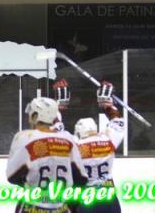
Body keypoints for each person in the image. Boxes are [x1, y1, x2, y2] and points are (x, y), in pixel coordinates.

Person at [54, 79, 125, 213]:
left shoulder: (74, 146)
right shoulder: (108, 141)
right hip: (108, 198)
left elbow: (55, 130)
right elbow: (118, 122)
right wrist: (107, 103)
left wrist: (59, 106)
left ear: (78, 133)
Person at [6, 97, 88, 213]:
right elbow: (81, 178)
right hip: (61, 208)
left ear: (35, 115)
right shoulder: (68, 139)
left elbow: (12, 177)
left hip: (33, 207)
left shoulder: (25, 138)